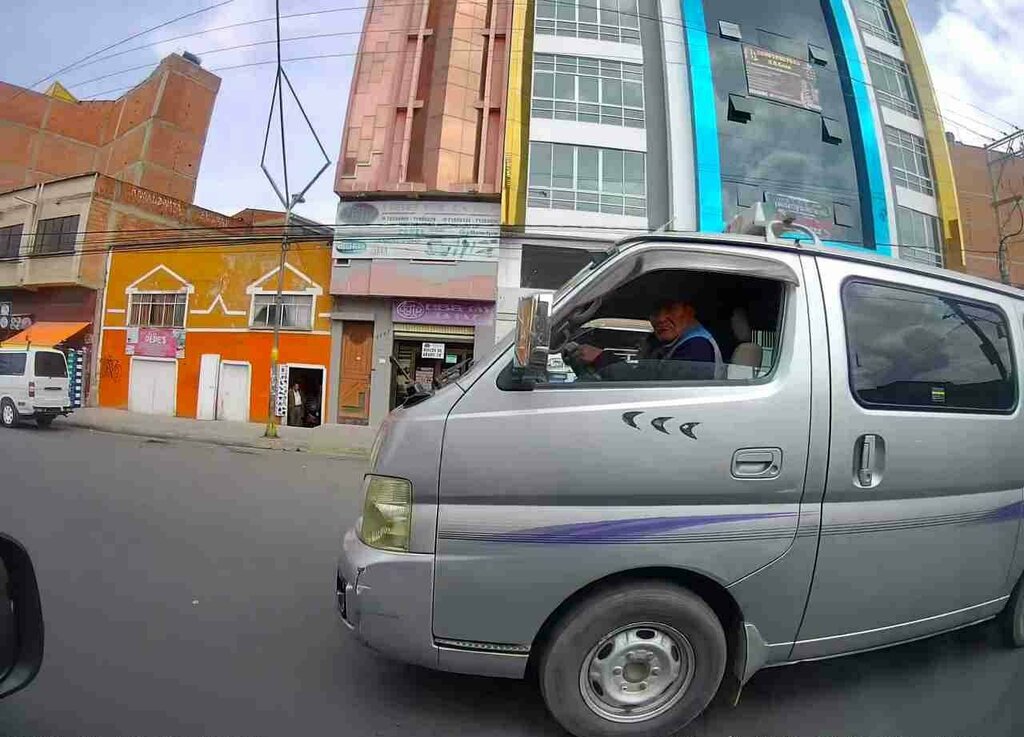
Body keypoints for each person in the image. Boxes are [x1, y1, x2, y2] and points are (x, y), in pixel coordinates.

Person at [569, 298, 723, 381]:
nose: (661, 318)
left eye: (671, 309)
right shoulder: (664, 345)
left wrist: (601, 358)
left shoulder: (697, 346)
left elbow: (652, 386)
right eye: (656, 312)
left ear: (689, 311)